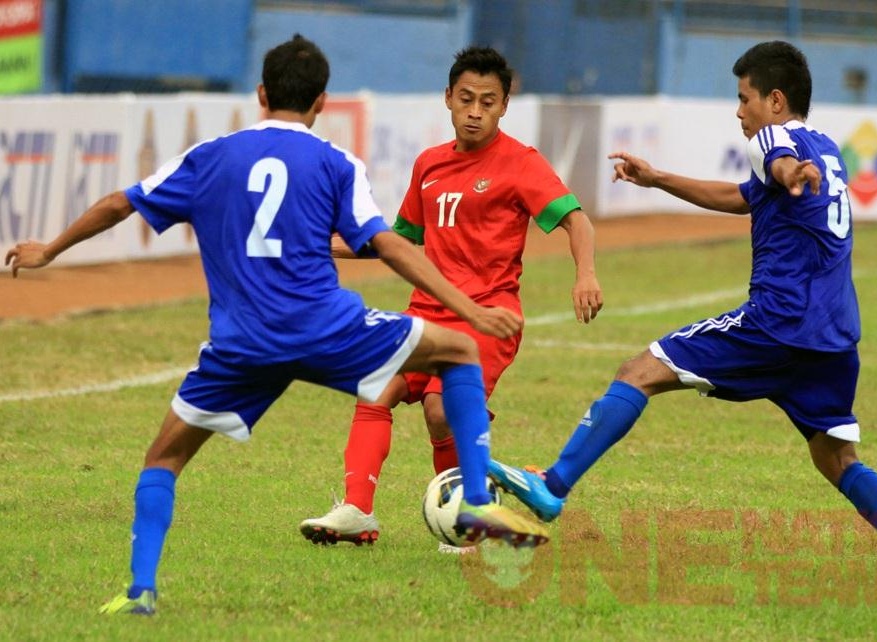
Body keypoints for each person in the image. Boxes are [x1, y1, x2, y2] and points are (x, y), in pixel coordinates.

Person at [4, 34, 549, 617]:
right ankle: (472, 502)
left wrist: (51, 250)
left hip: (241, 343)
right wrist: (467, 310)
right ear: (322, 103)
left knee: (162, 460)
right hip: (327, 329)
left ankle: (141, 590)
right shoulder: (336, 162)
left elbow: (119, 203)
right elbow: (389, 244)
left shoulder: (211, 154)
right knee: (459, 350)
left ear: (261, 93)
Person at [486, 40, 877, 586]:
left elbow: (775, 163)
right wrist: (659, 179)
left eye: (744, 98)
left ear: (775, 100)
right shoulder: (826, 150)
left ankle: (554, 485)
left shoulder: (776, 138)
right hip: (834, 337)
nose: (739, 112)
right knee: (836, 460)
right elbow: (744, 195)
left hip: (776, 324)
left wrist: (784, 171)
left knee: (639, 371)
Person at [298, 46, 603, 551]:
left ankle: (465, 518)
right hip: (427, 311)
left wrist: (585, 274)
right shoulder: (429, 165)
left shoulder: (521, 163)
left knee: (440, 409)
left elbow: (577, 219)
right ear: (448, 99)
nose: (476, 111)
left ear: (505, 105)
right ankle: (357, 510)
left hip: (488, 315)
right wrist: (318, 244)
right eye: (466, 99)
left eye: (488, 101)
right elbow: (399, 241)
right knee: (377, 387)